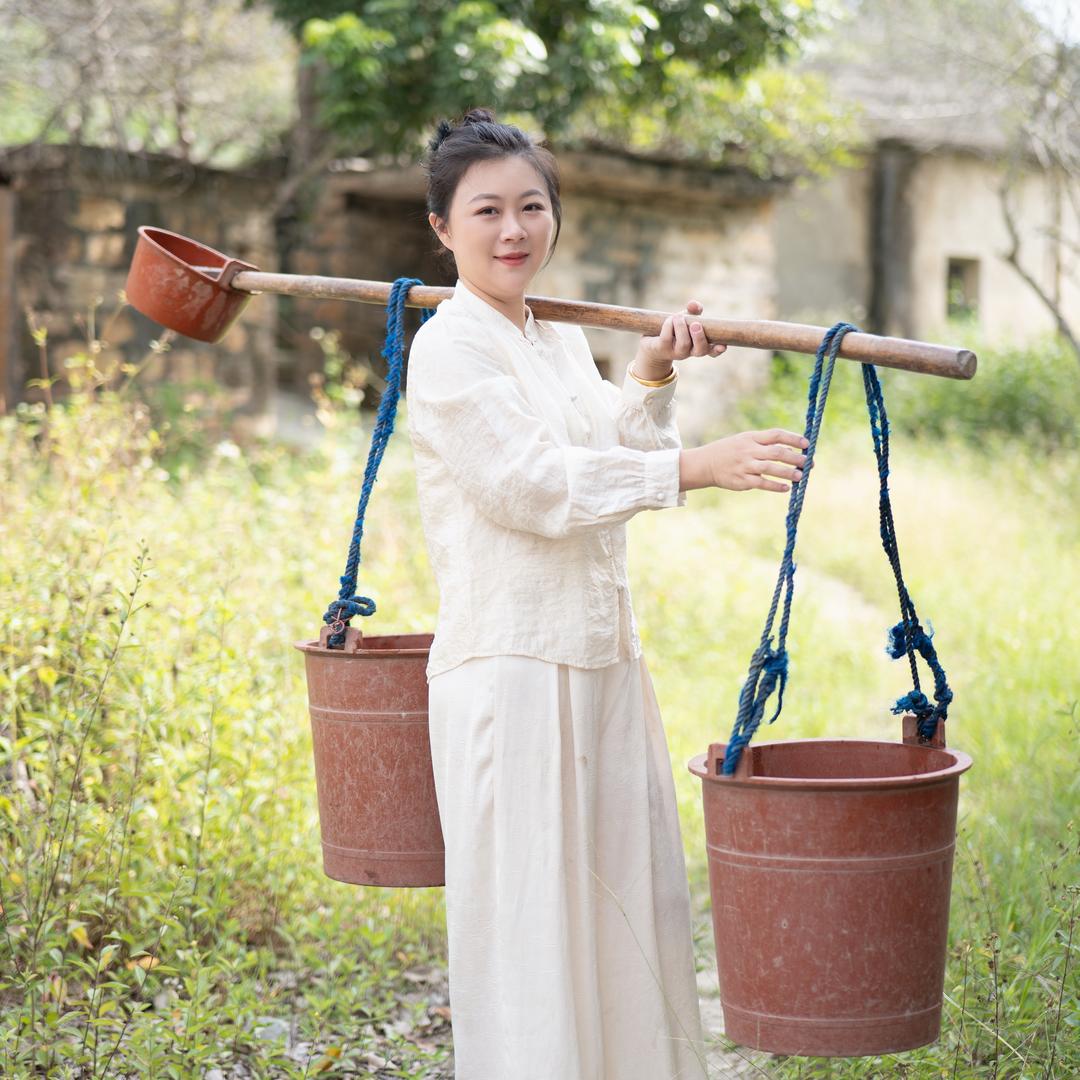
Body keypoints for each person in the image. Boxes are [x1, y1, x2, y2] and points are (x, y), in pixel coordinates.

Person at [405, 107, 809, 1080]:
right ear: (442, 228)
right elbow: (540, 488)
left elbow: (610, 460)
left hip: (601, 664)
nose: (514, 231)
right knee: (532, 944)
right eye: (488, 211)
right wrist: (698, 468)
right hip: (513, 677)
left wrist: (652, 372)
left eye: (532, 207)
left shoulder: (553, 338)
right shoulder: (450, 348)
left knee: (622, 920)